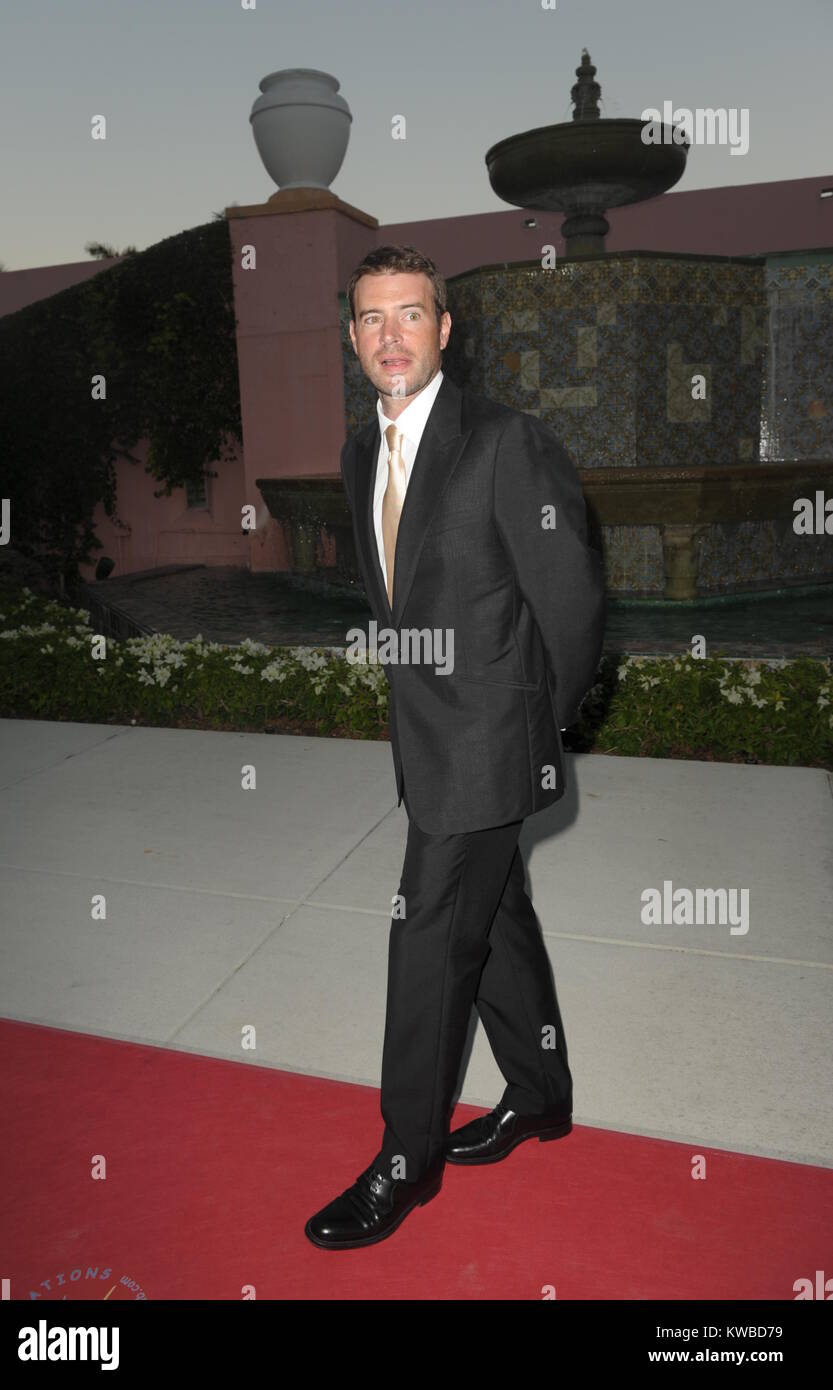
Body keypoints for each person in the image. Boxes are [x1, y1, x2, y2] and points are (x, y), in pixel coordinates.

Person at [304, 245, 605, 1250]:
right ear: (354, 338)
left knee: (428, 938)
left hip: (485, 747)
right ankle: (541, 1092)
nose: (391, 335)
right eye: (370, 319)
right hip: (424, 738)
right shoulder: (359, 452)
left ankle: (404, 1158)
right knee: (496, 914)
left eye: (410, 315)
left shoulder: (504, 443)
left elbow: (571, 600)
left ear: (445, 328)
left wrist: (530, 735)